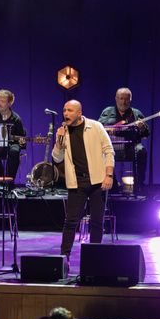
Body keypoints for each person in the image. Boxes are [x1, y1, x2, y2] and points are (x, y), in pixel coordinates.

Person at [52, 100, 115, 256]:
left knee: (97, 222)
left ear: (79, 113)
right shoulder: (63, 132)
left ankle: (93, 257)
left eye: (70, 110)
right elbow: (57, 158)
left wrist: (109, 175)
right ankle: (64, 257)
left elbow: (109, 151)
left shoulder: (95, 126)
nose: (66, 113)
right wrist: (58, 141)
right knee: (70, 221)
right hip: (76, 182)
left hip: (97, 181)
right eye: (64, 110)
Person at [98, 88, 149, 190]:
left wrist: (142, 128)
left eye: (126, 99)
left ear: (130, 99)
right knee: (99, 152)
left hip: (131, 146)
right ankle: (112, 183)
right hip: (111, 146)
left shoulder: (136, 113)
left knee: (141, 150)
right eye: (121, 98)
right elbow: (99, 128)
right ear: (116, 99)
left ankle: (139, 184)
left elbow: (147, 134)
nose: (123, 102)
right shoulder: (107, 112)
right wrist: (109, 129)